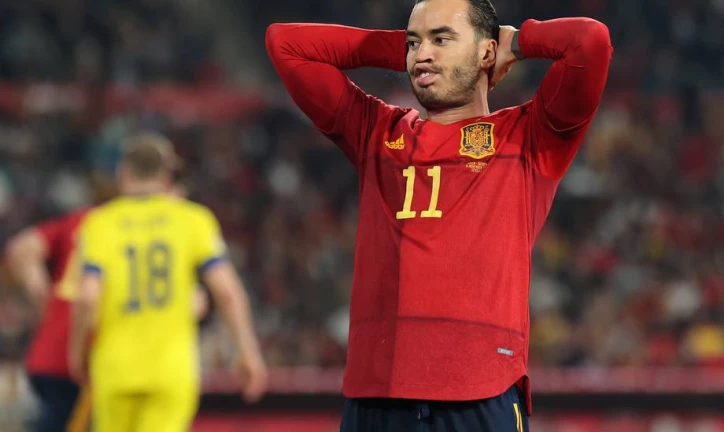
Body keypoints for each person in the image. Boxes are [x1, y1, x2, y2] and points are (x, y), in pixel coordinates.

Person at [266, 0, 612, 430]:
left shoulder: (528, 137)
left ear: (486, 52)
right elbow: (285, 43)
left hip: (481, 393)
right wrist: (407, 48)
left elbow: (590, 41)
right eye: (414, 43)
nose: (422, 54)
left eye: (442, 39)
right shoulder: (376, 130)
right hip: (375, 395)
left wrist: (518, 42)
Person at [68, 132, 267, 432]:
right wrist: (247, 350)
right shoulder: (193, 220)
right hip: (170, 370)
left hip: (114, 368)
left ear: (123, 173)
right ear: (166, 175)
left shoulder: (99, 223)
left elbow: (87, 297)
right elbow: (226, 291)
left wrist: (76, 352)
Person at [5, 208, 92, 432]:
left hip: (51, 353)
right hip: (86, 358)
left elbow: (21, 247)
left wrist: (38, 290)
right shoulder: (118, 224)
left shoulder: (81, 220)